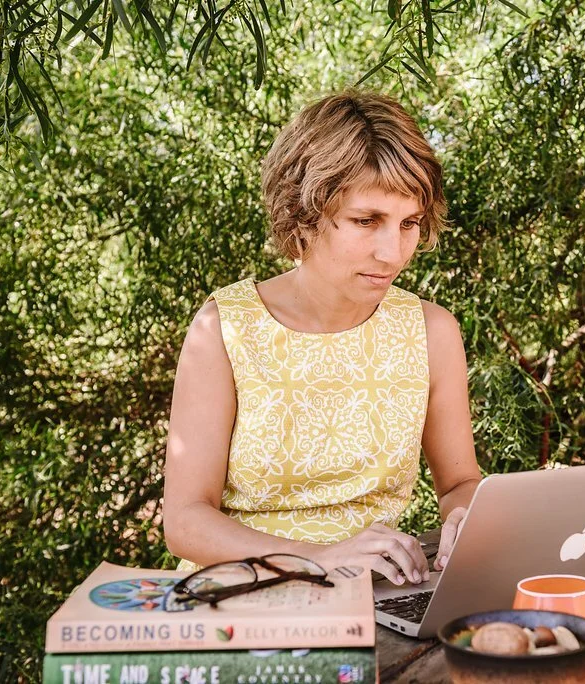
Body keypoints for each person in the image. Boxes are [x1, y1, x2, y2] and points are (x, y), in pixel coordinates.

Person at [162, 91, 482, 586]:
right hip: (234, 595)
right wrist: (318, 556)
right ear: (303, 213)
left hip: (371, 596)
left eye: (409, 224)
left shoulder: (431, 332)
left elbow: (460, 483)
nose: (392, 252)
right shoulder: (224, 328)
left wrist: (464, 518)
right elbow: (184, 522)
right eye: (366, 220)